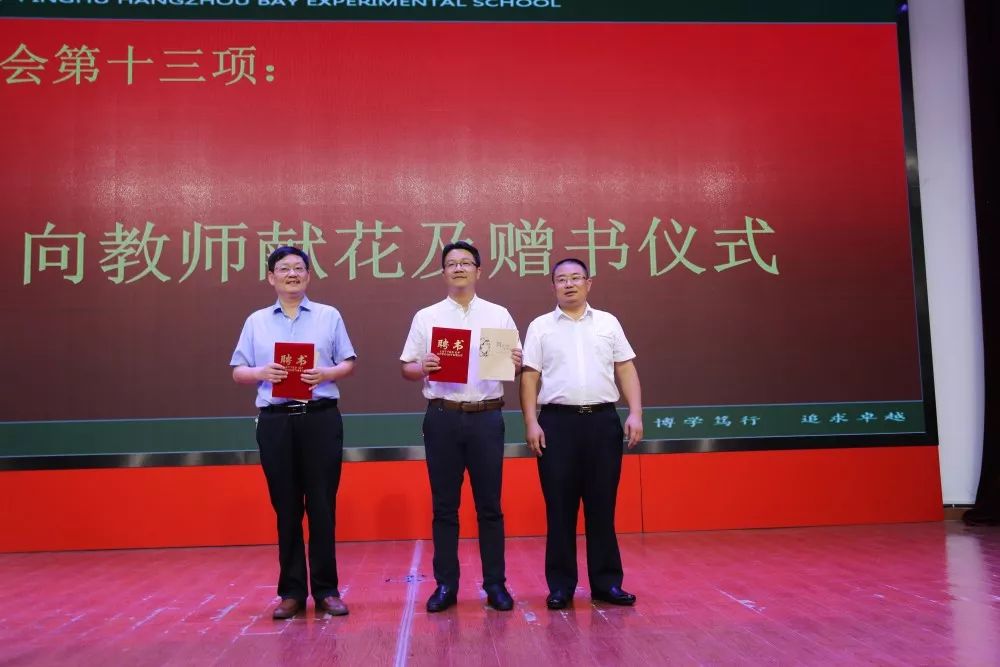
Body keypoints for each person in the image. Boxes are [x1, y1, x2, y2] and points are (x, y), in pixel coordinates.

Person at [231, 246, 357, 619]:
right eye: (284, 269)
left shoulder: (328, 316)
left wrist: (327, 373)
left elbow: (348, 362)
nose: (292, 274)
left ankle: (327, 590)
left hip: (320, 417)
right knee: (285, 507)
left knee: (322, 506)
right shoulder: (256, 321)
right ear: (271, 277)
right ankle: (291, 592)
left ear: (308, 275)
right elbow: (238, 370)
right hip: (276, 421)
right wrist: (261, 373)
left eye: (299, 268)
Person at [400, 241, 522, 612]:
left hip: (487, 416)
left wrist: (516, 362)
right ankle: (446, 586)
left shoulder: (498, 314)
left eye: (466, 263)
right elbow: (407, 368)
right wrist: (423, 366)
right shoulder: (427, 317)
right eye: (451, 263)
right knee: (444, 507)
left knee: (490, 506)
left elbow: (514, 366)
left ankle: (495, 585)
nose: (458, 268)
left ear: (478, 271)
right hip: (443, 416)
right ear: (443, 272)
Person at [519, 257, 643, 610]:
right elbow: (529, 377)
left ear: (589, 283)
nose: (569, 284)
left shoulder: (608, 322)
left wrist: (635, 412)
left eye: (576, 278)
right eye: (562, 279)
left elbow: (625, 368)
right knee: (559, 508)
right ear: (553, 286)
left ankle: (607, 583)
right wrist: (531, 421)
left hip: (602, 422)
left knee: (602, 505)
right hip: (557, 424)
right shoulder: (540, 327)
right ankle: (561, 586)